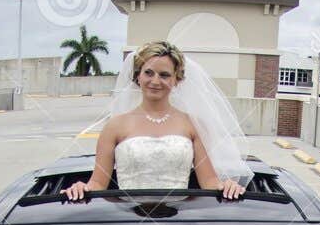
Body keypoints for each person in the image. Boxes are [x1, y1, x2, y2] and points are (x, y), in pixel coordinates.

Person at [63, 40, 249, 199]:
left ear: (177, 79)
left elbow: (208, 181)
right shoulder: (114, 126)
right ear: (138, 76)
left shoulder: (193, 124)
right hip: (127, 223)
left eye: (165, 75)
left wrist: (226, 186)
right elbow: (98, 182)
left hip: (177, 221)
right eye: (149, 73)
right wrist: (81, 188)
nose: (156, 81)